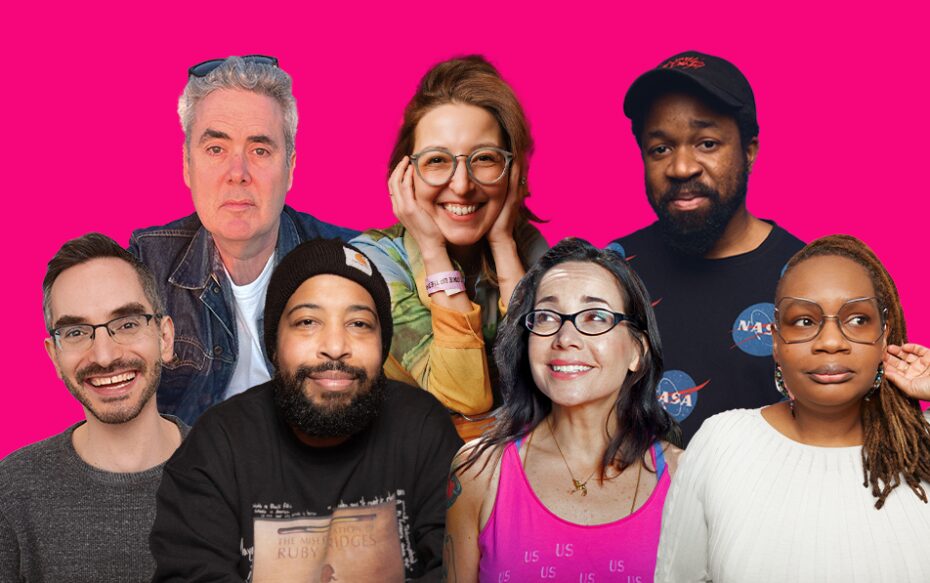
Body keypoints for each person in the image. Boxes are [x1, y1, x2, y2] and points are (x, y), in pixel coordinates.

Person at [150, 238, 462, 581]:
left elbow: (457, 569)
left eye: (359, 324)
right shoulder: (217, 446)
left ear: (382, 345)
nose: (334, 348)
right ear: (274, 344)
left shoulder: (421, 428)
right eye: (307, 322)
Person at [656, 235, 930, 582]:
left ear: (884, 336)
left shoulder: (925, 445)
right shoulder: (723, 443)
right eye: (804, 321)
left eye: (858, 319)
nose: (830, 342)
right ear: (774, 342)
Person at [130, 55, 357, 425]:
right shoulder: (146, 265)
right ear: (187, 166)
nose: (238, 173)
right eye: (216, 149)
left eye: (260, 150)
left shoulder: (353, 262)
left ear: (291, 169)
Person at [445, 238, 681, 582]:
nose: (565, 337)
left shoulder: (685, 477)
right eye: (546, 316)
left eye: (595, 316)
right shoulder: (478, 471)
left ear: (637, 351)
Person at [609, 51, 805, 443]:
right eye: (660, 148)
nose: (682, 168)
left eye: (707, 143)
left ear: (749, 151)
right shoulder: (612, 271)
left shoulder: (809, 274)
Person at [352, 55, 548, 440]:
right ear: (404, 174)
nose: (461, 185)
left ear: (513, 172)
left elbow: (545, 380)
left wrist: (504, 245)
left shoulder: (523, 246)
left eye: (485, 159)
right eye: (438, 160)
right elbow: (465, 397)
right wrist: (431, 248)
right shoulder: (371, 264)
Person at [0, 233, 188, 582]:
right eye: (75, 332)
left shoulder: (240, 476)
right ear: (54, 356)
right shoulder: (10, 492)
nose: (104, 355)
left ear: (165, 337)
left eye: (128, 324)